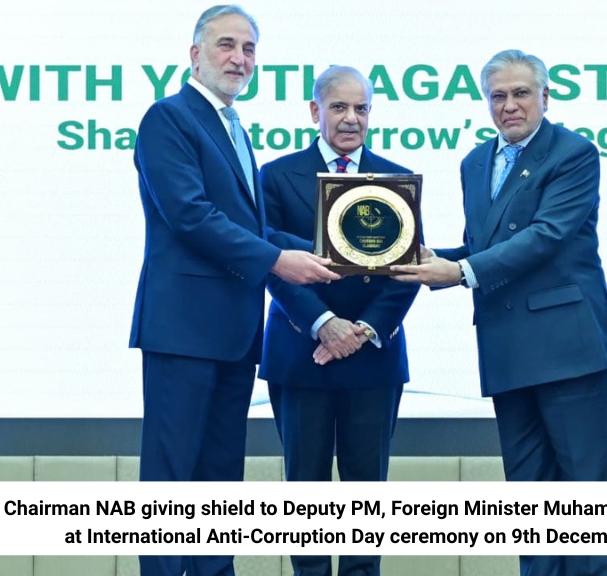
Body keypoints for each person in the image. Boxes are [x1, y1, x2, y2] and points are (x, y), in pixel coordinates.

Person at [392, 49, 607, 576]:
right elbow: (486, 244)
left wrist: (459, 272)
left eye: (521, 93)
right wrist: (425, 257)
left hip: (565, 345)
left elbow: (546, 236)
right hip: (506, 344)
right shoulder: (474, 162)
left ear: (545, 96)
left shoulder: (574, 153)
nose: (510, 105)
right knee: (529, 494)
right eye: (498, 96)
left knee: (585, 493)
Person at [128, 6, 339, 576]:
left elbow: (248, 226)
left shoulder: (234, 127)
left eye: (249, 49)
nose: (239, 58)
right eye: (226, 45)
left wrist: (337, 249)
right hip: (183, 329)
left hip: (233, 331)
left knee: (219, 480)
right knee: (171, 481)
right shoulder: (169, 117)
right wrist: (278, 261)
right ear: (195, 54)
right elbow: (190, 215)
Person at [259, 66, 419, 576]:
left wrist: (362, 330)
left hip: (373, 355)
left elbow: (410, 269)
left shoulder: (396, 178)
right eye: (339, 107)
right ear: (315, 111)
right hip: (302, 351)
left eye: (361, 108)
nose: (352, 119)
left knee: (367, 494)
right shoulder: (276, 175)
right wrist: (324, 322)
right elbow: (269, 259)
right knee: (304, 493)